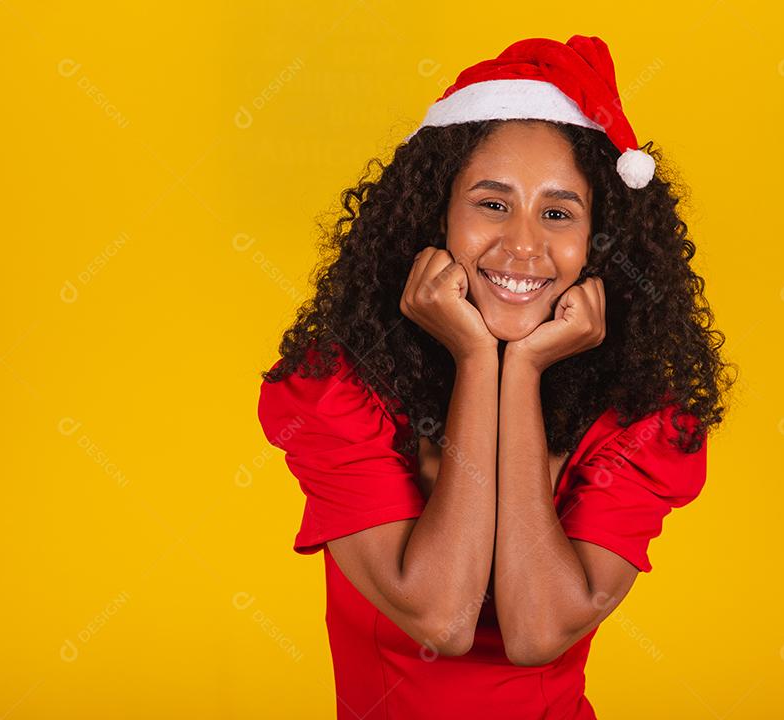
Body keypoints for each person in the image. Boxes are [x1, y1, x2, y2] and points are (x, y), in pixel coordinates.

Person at [256, 34, 735, 720]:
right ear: (435, 216)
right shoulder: (337, 394)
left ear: (601, 240)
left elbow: (539, 632)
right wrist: (481, 360)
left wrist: (523, 372)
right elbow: (442, 617)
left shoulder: (644, 427)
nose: (523, 245)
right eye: (491, 203)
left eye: (558, 213)